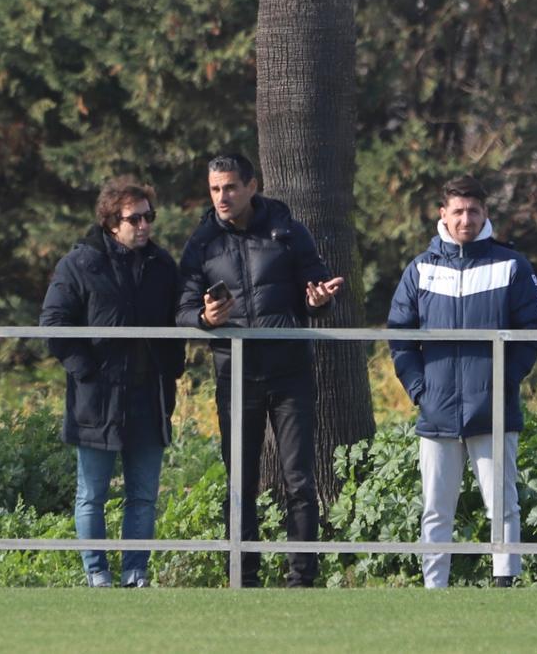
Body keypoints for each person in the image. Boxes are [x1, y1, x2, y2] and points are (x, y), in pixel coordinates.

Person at [176, 153, 343, 587]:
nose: (222, 197)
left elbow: (316, 289)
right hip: (236, 375)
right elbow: (182, 309)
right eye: (214, 189)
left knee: (299, 479)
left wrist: (318, 300)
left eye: (230, 187)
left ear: (252, 186)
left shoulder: (288, 231)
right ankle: (242, 576)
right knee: (241, 482)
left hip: (290, 373)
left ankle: (302, 578)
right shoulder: (201, 242)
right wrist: (204, 319)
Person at [387, 175, 537, 589]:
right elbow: (399, 334)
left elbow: (534, 330)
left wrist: (505, 381)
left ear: (485, 213)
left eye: (473, 211)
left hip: (493, 409)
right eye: (457, 211)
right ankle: (434, 589)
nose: (465, 219)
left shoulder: (511, 264)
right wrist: (420, 391)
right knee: (436, 510)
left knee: (503, 506)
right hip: (436, 409)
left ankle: (504, 583)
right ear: (443, 214)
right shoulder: (421, 268)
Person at [39, 177, 185, 588]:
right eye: (134, 218)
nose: (144, 225)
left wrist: (174, 365)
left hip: (148, 397)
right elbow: (53, 323)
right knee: (92, 494)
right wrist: (86, 370)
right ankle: (96, 572)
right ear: (110, 223)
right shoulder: (79, 264)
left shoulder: (162, 265)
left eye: (148, 216)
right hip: (97, 398)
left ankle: (135, 573)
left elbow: (181, 315)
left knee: (143, 496)